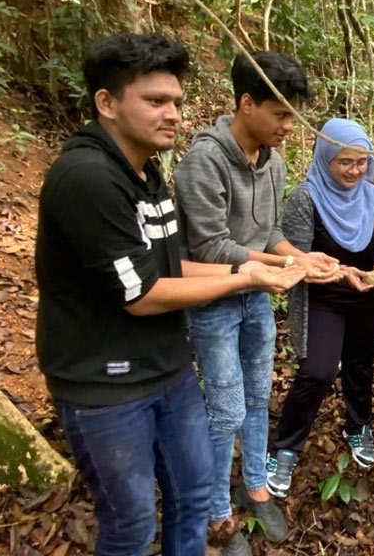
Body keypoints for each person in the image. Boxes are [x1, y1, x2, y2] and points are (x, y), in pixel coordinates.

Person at [35, 32, 305, 556]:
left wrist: (285, 262)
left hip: (167, 367)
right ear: (107, 103)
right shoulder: (87, 178)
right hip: (104, 387)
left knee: (191, 495)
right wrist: (248, 277)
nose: (174, 114)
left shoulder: (145, 172)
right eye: (156, 101)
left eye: (177, 102)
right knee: (132, 526)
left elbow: (169, 263)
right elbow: (141, 292)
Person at [173, 51, 339, 549]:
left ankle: (255, 489)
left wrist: (304, 260)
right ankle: (216, 512)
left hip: (258, 297)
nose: (289, 125)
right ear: (247, 104)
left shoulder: (273, 162)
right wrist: (286, 267)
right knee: (224, 409)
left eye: (293, 114)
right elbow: (210, 246)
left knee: (255, 399)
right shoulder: (203, 160)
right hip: (216, 296)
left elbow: (267, 233)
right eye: (281, 113)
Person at [265, 118, 374, 497]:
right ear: (325, 159)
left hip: (368, 296)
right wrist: (339, 273)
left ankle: (357, 426)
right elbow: (298, 259)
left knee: (360, 364)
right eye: (344, 162)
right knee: (317, 371)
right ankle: (285, 446)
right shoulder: (306, 198)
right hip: (324, 298)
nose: (355, 170)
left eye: (361, 162)